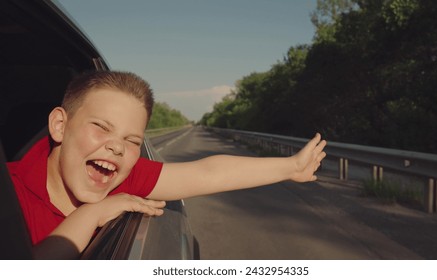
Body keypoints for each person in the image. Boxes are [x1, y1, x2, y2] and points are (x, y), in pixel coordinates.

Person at [6, 70, 327, 259]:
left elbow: (207, 173)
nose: (117, 147)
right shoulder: (9, 192)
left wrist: (291, 167)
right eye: (101, 127)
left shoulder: (119, 179)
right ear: (60, 126)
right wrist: (91, 215)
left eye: (132, 141)